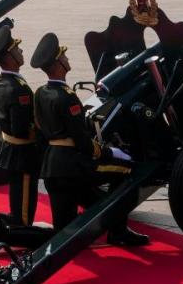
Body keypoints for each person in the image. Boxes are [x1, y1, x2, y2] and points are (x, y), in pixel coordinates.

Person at [33, 35, 149, 247]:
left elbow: (40, 131)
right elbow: (83, 142)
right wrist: (111, 153)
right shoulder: (67, 97)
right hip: (72, 168)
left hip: (52, 169)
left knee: (62, 234)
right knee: (126, 170)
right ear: (58, 64)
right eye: (64, 56)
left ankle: (8, 235)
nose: (67, 58)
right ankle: (119, 231)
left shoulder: (41, 93)